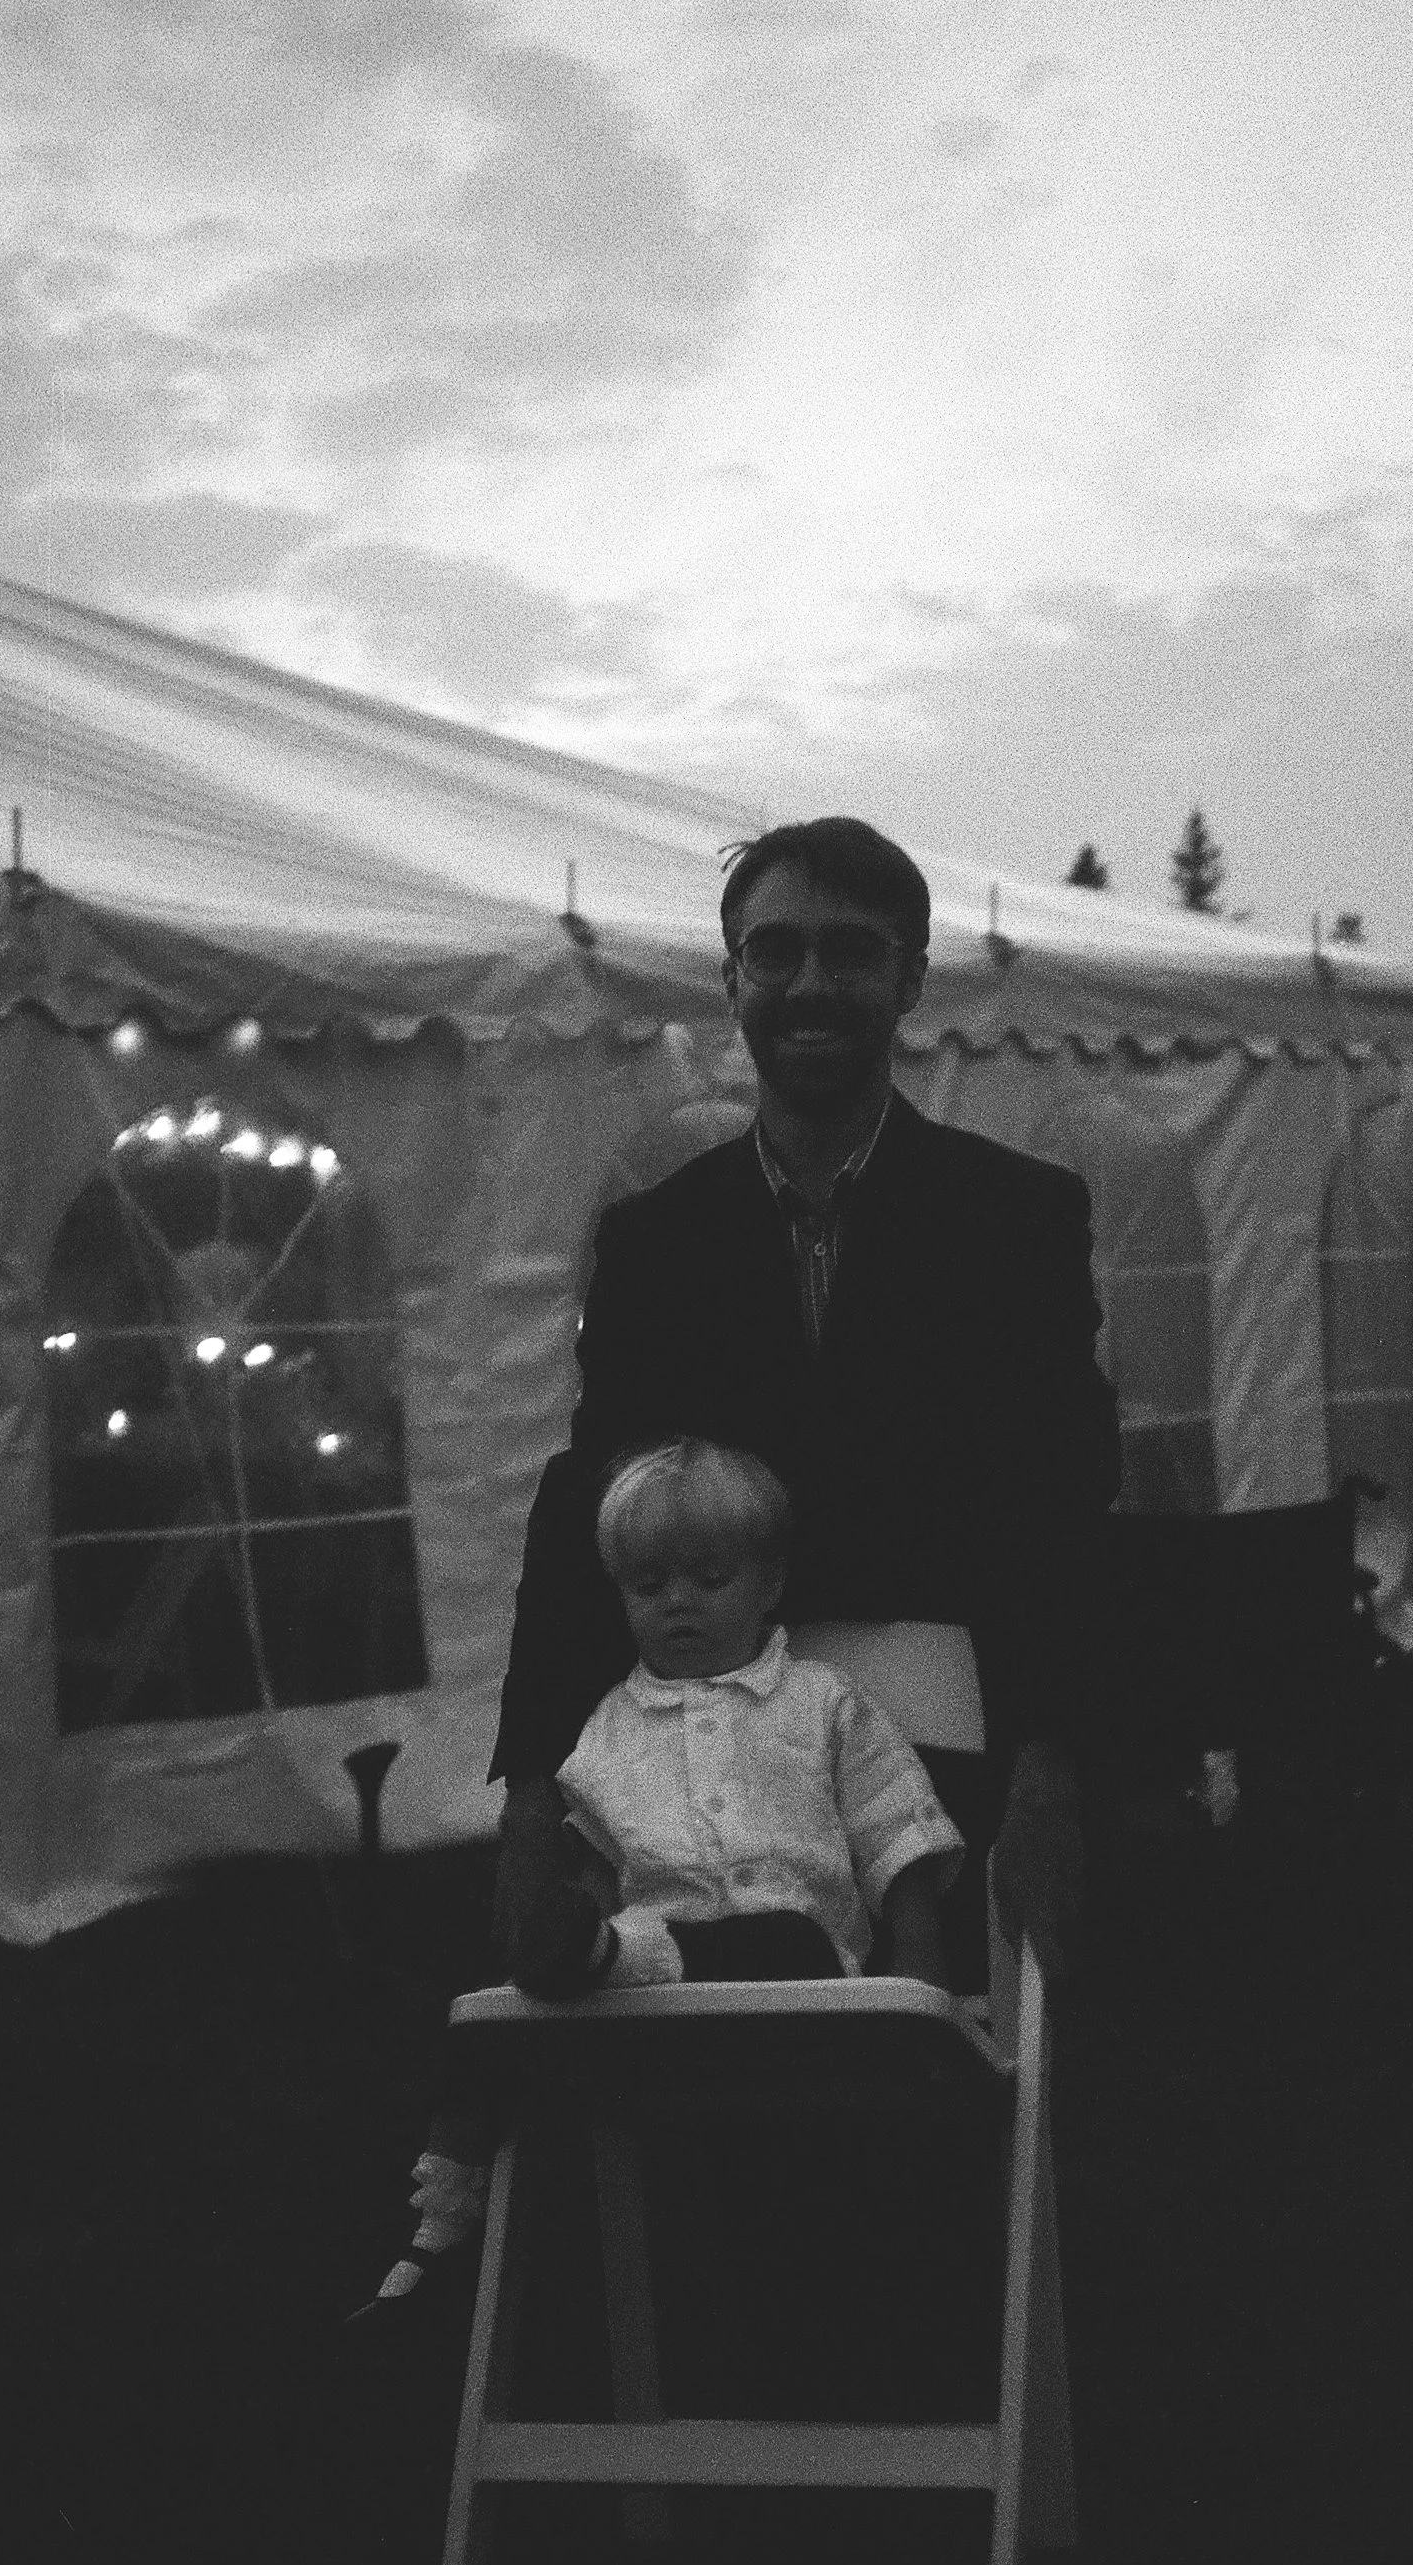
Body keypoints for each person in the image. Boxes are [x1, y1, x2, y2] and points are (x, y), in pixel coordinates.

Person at [347, 814, 1113, 2327]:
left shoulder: (1015, 1216)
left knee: (931, 2140)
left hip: (940, 1765)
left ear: (907, 978)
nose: (809, 981)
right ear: (732, 982)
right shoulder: (657, 1238)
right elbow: (591, 1512)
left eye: (848, 951)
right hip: (694, 1748)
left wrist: (1051, 1771)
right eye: (776, 951)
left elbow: (1058, 1508)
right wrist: (528, 1801)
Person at [508, 1437, 962, 1998]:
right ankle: (607, 1957)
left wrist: (918, 1957)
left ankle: (616, 1958)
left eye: (711, 1580)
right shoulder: (610, 1724)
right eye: (649, 1586)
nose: (678, 1601)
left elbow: (894, 1828)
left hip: (811, 1984)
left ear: (770, 1584)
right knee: (625, 1947)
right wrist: (576, 1932)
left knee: (789, 1940)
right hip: (665, 2006)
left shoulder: (822, 1699)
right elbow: (601, 1868)